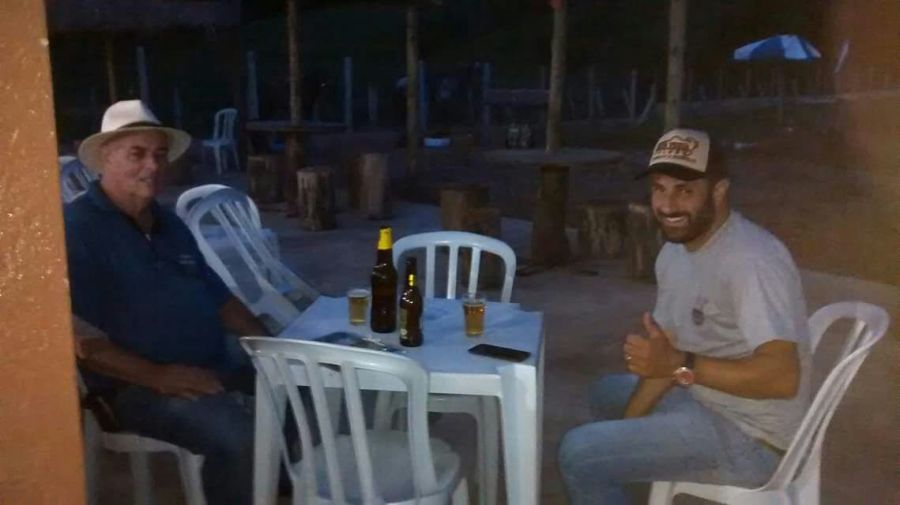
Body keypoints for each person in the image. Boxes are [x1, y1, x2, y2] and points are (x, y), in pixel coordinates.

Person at [558, 128, 811, 504]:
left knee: (579, 454)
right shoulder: (674, 253)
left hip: (755, 438)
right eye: (659, 188)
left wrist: (680, 365)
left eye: (685, 190)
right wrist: (629, 427)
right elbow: (668, 354)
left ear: (719, 191)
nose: (667, 205)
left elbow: (783, 377)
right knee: (605, 395)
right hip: (707, 399)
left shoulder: (751, 261)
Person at [66, 100, 269, 505]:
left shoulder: (168, 222)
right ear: (104, 158)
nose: (153, 166)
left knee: (296, 387)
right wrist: (159, 376)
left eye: (159, 155)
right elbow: (81, 340)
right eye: (137, 154)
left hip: (210, 357)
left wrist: (271, 347)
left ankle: (274, 485)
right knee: (237, 436)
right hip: (135, 385)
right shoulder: (77, 228)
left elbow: (219, 298)